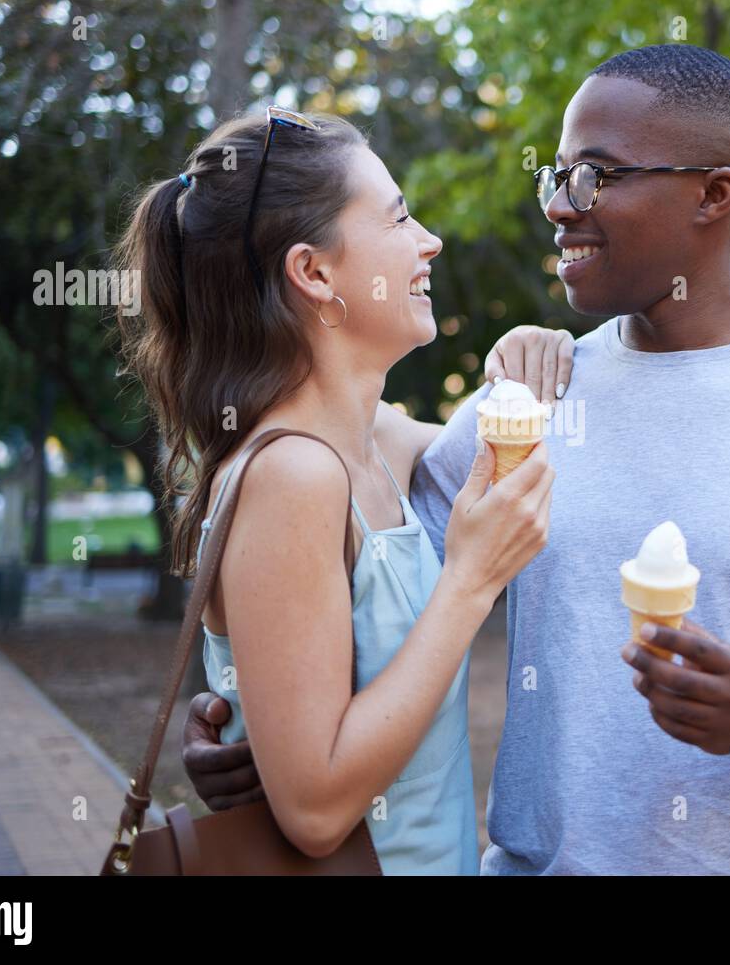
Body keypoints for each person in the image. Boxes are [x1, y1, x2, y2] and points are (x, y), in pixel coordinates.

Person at [185, 46, 730, 875]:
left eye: (597, 176)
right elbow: (357, 595)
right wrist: (248, 722)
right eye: (559, 176)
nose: (561, 207)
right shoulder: (520, 409)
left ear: (714, 194)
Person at [116, 106, 567, 874]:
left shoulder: (380, 440)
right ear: (315, 273)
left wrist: (534, 352)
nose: (430, 240)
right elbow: (316, 811)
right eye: (397, 220)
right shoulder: (292, 476)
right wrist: (470, 582)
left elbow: (516, 453)